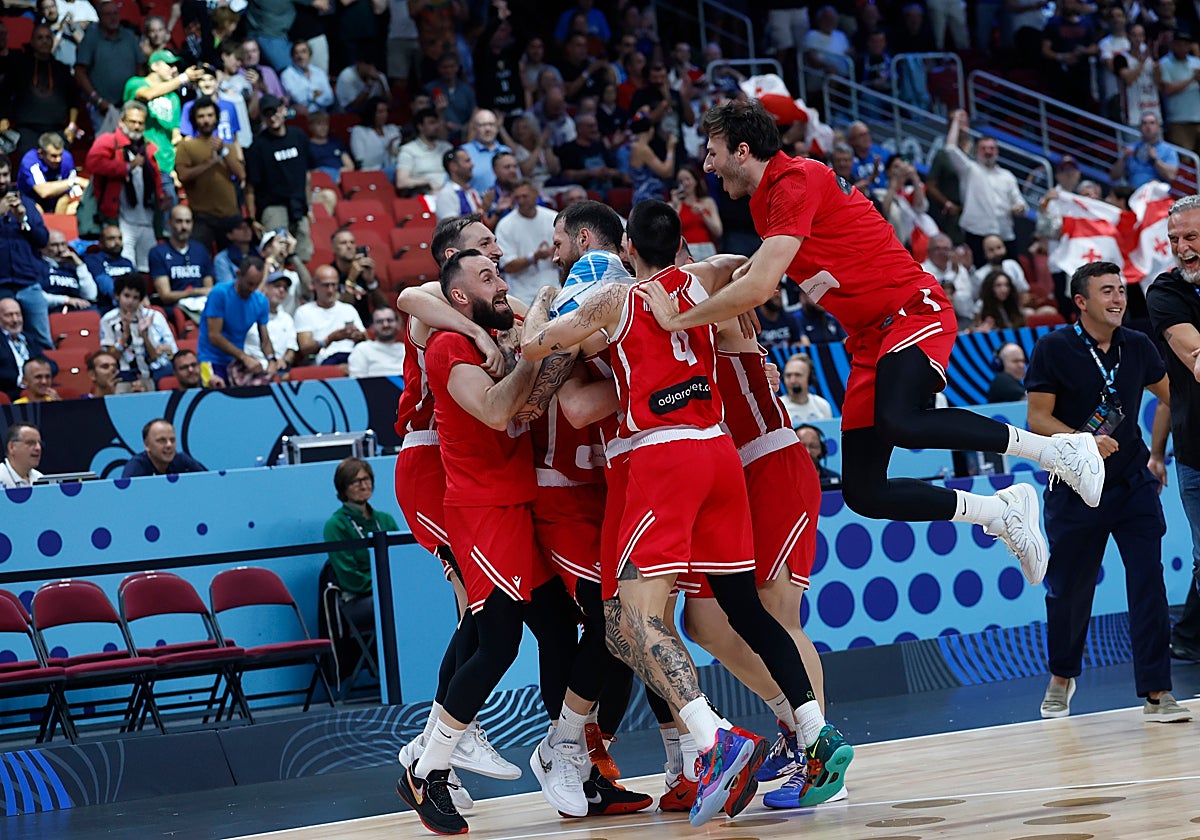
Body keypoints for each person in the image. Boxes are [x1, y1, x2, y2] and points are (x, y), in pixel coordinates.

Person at [643, 97, 1108, 592]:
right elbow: (762, 271)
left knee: (900, 421)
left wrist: (679, 319)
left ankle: (1057, 450)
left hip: (911, 309)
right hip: (869, 337)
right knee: (864, 491)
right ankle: (999, 511)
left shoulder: (795, 179)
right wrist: (740, 276)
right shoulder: (766, 202)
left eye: (712, 152)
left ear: (741, 149)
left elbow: (760, 285)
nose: (707, 164)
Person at [522, 200, 845, 824]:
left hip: (660, 460)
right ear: (677, 246)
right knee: (738, 608)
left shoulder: (614, 299)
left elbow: (542, 347)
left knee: (636, 618)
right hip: (719, 453)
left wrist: (545, 311)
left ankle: (712, 742)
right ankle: (813, 733)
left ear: (625, 251)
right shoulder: (704, 278)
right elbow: (757, 266)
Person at [395, 252, 581, 834]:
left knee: (557, 628)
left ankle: (568, 756)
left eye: (500, 273)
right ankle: (429, 768)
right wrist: (535, 351)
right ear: (457, 297)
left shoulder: (495, 334)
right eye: (488, 277)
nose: (502, 282)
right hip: (481, 510)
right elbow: (501, 412)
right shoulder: (449, 347)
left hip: (516, 503)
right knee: (495, 643)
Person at [1026, 260, 1188, 722]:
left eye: (1120, 290)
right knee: (1069, 591)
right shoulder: (1052, 347)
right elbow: (1037, 418)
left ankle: (1157, 692)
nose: (1118, 298)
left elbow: (1171, 394)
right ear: (1081, 302)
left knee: (1148, 583)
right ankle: (1062, 676)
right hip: (1075, 487)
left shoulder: (1137, 345)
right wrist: (1083, 443)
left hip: (1132, 482)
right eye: (1107, 292)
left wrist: (1157, 453)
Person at [1148, 195, 1200, 664]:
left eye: (1191, 237)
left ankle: (1187, 636)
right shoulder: (1165, 292)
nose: (1182, 248)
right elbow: (1196, 363)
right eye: (1175, 239)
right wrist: (1158, 452)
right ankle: (1186, 637)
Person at [86, 101, 165, 272]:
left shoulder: (147, 147)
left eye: (140, 123)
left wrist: (161, 197)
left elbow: (156, 177)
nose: (137, 126)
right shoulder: (108, 140)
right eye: (132, 121)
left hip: (147, 219)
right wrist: (127, 167)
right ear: (121, 122)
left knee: (148, 269)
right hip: (122, 220)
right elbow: (94, 163)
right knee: (124, 268)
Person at [944, 110, 1027, 268]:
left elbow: (1019, 202)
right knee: (981, 278)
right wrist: (955, 121)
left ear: (997, 151)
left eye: (992, 148)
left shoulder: (1007, 175)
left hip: (1005, 234)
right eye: (984, 148)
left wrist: (1019, 208)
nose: (988, 152)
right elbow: (950, 149)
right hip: (977, 233)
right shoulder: (969, 169)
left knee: (1012, 275)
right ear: (977, 151)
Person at [323, 457, 398, 632]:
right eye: (356, 482)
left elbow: (401, 560)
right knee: (400, 603)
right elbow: (350, 579)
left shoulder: (385, 519)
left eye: (366, 479)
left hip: (391, 590)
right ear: (344, 488)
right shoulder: (336, 525)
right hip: (357, 600)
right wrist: (386, 585)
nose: (364, 486)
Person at [124, 49, 205, 204]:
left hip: (165, 166)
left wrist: (177, 166)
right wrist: (183, 78)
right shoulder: (135, 83)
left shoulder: (173, 97)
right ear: (154, 66)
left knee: (168, 213)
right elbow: (148, 94)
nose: (174, 69)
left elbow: (175, 133)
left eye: (176, 66)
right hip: (140, 161)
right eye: (169, 65)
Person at [244, 94, 315, 263]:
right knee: (276, 254)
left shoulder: (298, 136)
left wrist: (309, 205)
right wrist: (253, 219)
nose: (272, 118)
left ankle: (302, 288)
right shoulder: (258, 146)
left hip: (298, 204)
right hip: (272, 206)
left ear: (283, 111)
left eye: (275, 112)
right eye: (267, 114)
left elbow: (307, 175)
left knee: (304, 253)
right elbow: (250, 187)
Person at [175, 96, 245, 251]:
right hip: (202, 217)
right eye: (201, 116)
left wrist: (223, 152)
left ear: (216, 118)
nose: (206, 120)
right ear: (194, 120)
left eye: (210, 115)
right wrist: (208, 164)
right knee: (199, 259)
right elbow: (183, 176)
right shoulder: (186, 147)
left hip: (230, 215)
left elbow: (241, 174)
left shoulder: (227, 146)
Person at [197, 254, 276, 387]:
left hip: (235, 363)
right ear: (238, 274)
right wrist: (245, 357)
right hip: (211, 359)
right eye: (249, 284)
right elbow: (214, 336)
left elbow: (265, 339)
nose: (252, 289)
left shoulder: (261, 301)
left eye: (257, 285)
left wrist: (272, 360)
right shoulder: (220, 293)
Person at [0, 158, 53, 353]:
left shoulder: (27, 204)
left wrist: (24, 220)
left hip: (28, 282)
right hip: (0, 285)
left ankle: (47, 379)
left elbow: (42, 240)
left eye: (4, 175)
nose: (1, 180)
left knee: (42, 340)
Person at [73, 1, 143, 136]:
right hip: (101, 107)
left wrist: (136, 98)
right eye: (108, 14)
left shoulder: (129, 37)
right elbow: (80, 72)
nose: (113, 18)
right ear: (99, 17)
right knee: (105, 148)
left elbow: (140, 68)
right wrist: (96, 99)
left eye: (115, 13)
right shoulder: (91, 39)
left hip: (128, 105)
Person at [100, 272, 177, 390]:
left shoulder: (154, 317)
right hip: (121, 377)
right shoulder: (107, 320)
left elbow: (168, 353)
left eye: (135, 298)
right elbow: (111, 356)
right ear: (117, 296)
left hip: (150, 374)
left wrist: (145, 336)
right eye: (126, 296)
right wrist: (124, 336)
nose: (130, 302)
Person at [495, 179, 558, 304]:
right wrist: (534, 257)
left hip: (554, 289)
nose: (521, 201)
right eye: (517, 197)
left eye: (525, 196)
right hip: (522, 295)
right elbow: (507, 266)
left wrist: (557, 252)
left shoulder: (553, 218)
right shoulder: (505, 225)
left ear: (535, 194)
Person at [149, 205, 215, 314]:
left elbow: (209, 288)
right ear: (169, 223)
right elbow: (165, 295)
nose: (184, 227)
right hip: (175, 308)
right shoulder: (158, 252)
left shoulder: (200, 250)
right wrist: (193, 292)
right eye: (179, 221)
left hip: (202, 304)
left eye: (188, 222)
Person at [294, 265, 366, 366]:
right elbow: (305, 349)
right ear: (314, 285)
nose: (330, 290)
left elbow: (367, 339)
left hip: (352, 356)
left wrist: (360, 336)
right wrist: (330, 339)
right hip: (324, 359)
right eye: (326, 285)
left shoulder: (348, 309)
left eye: (334, 285)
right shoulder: (304, 312)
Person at [244, 270, 299, 371]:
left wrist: (284, 361)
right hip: (251, 368)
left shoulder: (287, 319)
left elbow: (291, 349)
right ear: (265, 287)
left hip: (279, 370)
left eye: (285, 288)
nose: (282, 290)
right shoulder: (248, 314)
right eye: (277, 286)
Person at [1109, 112, 1180, 189]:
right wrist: (1123, 159)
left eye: (1152, 123)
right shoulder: (1130, 148)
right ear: (1140, 128)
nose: (1148, 127)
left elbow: (1171, 176)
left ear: (1159, 128)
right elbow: (1113, 177)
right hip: (1133, 194)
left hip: (1157, 196)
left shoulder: (1169, 150)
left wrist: (1155, 160)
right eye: (1144, 123)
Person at [17, 133, 83, 215]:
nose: (59, 159)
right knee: (36, 212)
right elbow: (43, 192)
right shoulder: (30, 161)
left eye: (60, 154)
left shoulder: (66, 158)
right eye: (54, 156)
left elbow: (70, 190)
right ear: (41, 154)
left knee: (75, 206)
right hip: (32, 199)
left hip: (56, 199)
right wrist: (74, 181)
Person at [0, 298, 50, 400]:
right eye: (9, 315)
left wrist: (41, 376)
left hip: (36, 387)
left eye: (18, 314)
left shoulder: (28, 338)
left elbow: (50, 364)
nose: (15, 320)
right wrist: (22, 379)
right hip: (11, 392)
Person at [395, 107, 452, 195]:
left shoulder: (447, 147)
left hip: (450, 191)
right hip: (426, 194)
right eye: (431, 123)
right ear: (420, 127)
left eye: (436, 122)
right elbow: (401, 182)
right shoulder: (408, 150)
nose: (436, 126)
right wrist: (427, 182)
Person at [669, 165, 721, 261]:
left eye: (687, 179)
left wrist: (703, 214)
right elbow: (670, 233)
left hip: (706, 249)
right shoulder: (672, 206)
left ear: (695, 181)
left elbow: (718, 231)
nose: (685, 183)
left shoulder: (707, 202)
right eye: (681, 181)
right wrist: (676, 207)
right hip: (685, 251)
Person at [122, 418, 207, 477]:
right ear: (146, 445)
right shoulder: (136, 467)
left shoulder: (182, 461)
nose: (169, 445)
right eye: (161, 440)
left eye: (172, 440)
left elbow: (209, 481)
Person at [40, 229, 97, 311]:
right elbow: (35, 296)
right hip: (51, 311)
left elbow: (91, 295)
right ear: (43, 248)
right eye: (54, 245)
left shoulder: (73, 266)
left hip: (78, 310)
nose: (60, 249)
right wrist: (66, 300)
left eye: (63, 244)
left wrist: (80, 266)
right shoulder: (37, 266)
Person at [83, 225, 136, 310]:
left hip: (131, 304)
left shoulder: (127, 262)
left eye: (120, 238)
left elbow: (137, 285)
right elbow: (106, 285)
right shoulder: (93, 259)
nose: (117, 242)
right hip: (107, 307)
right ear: (101, 243)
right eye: (111, 239)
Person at [349, 97, 401, 178]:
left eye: (386, 111)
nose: (384, 115)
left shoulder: (393, 129)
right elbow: (361, 161)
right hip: (371, 172)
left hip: (395, 170)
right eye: (380, 112)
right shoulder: (359, 131)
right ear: (371, 113)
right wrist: (386, 150)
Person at [462, 109, 511, 194]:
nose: (488, 129)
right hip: (476, 205)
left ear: (497, 127)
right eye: (483, 125)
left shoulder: (506, 151)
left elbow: (516, 180)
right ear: (475, 128)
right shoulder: (463, 152)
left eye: (491, 124)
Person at [347, 306, 405, 378]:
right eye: (380, 322)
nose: (385, 325)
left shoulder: (406, 350)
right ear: (372, 326)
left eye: (389, 320)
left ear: (398, 324)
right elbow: (357, 382)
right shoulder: (362, 349)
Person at [280, 41, 333, 115]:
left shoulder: (319, 72)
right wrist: (314, 95)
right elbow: (299, 99)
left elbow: (329, 98)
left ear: (310, 56)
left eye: (303, 52)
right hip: (300, 115)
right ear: (292, 57)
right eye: (296, 53)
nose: (300, 56)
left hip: (323, 113)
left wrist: (311, 96)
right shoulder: (287, 74)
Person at [781, 353, 833, 426]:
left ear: (810, 378)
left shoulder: (822, 405)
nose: (792, 380)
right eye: (788, 375)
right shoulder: (778, 407)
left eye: (798, 375)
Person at [434, 148, 483, 220]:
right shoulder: (446, 194)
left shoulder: (472, 192)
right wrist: (478, 214)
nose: (472, 165)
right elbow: (451, 227)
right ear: (453, 166)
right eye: (467, 161)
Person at [797, 424, 841, 489]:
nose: (808, 452)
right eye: (802, 447)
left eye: (813, 446)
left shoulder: (835, 480)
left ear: (822, 449)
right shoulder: (785, 481)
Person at [0, 423, 43, 488]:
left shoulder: (40, 478)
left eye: (39, 443)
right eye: (30, 443)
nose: (38, 448)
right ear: (11, 447)